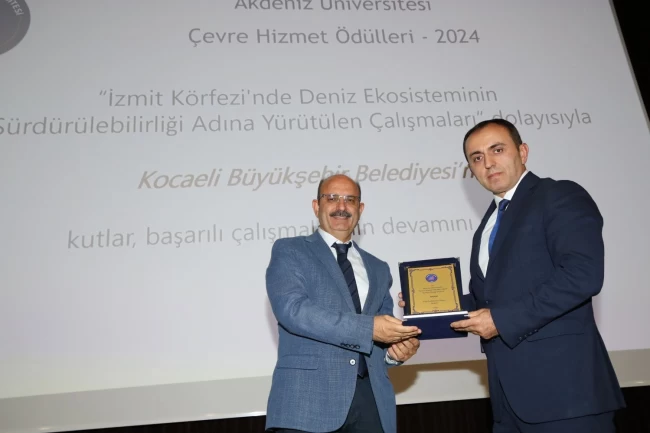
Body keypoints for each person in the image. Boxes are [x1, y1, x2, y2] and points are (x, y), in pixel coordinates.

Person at [443, 118, 625, 432]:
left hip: (567, 396)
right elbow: (490, 299)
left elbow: (583, 275)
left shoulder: (558, 195)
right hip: (508, 402)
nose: (488, 163)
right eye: (477, 157)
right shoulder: (488, 223)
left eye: (497, 150)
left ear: (523, 152)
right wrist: (434, 306)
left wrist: (501, 320)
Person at [265, 174, 421, 433]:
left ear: (360, 209)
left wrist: (393, 353)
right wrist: (369, 329)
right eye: (332, 198)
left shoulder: (379, 268)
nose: (341, 206)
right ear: (316, 206)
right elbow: (293, 311)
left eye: (350, 200)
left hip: (371, 402)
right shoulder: (290, 250)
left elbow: (378, 342)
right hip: (307, 402)